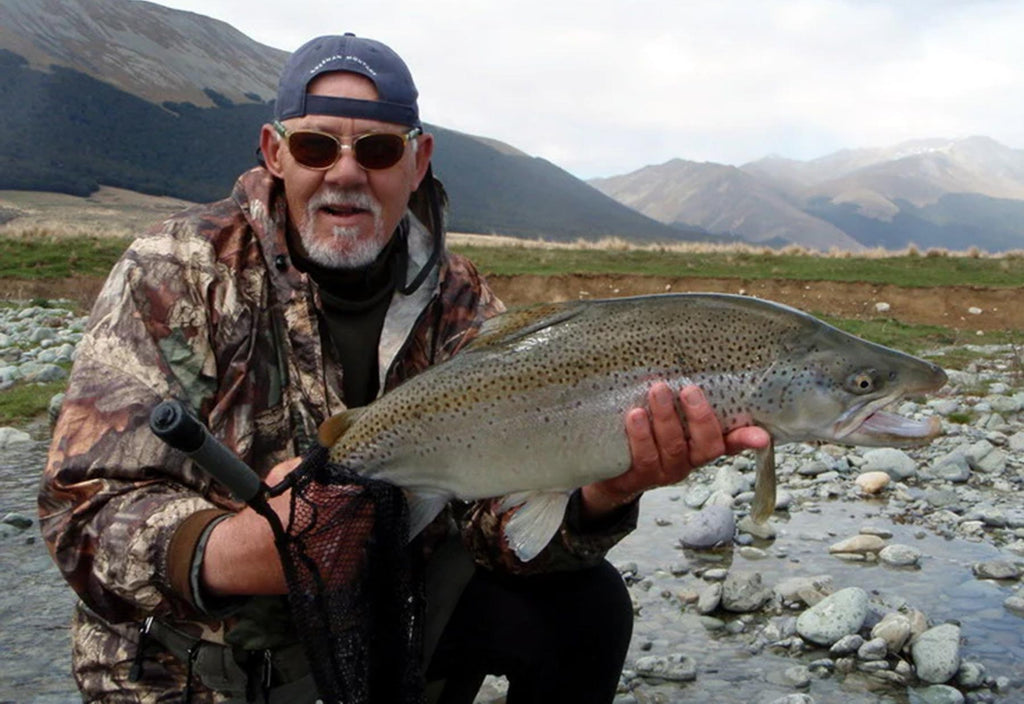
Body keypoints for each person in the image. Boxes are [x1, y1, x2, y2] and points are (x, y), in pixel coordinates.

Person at [39, 33, 770, 703]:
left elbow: (497, 532)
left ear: (417, 162)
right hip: (201, 671)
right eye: (318, 147)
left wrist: (602, 491)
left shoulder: (460, 299)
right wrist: (232, 551)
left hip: (391, 624)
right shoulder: (175, 274)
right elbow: (79, 511)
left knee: (587, 607)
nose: (347, 174)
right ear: (275, 152)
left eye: (380, 152)